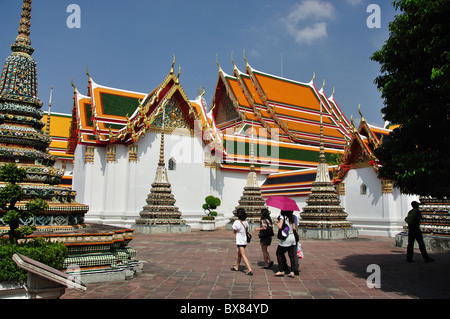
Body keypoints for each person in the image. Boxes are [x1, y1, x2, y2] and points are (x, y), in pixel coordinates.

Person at [274, 210, 297, 277]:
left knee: (279, 253)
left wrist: (276, 224)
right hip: (292, 237)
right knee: (291, 255)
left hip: (286, 238)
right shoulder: (291, 217)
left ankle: (281, 270)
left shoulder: (282, 217)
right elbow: (294, 228)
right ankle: (292, 271)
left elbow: (280, 227)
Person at [231, 208, 253, 275]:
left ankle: (249, 269)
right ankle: (236, 266)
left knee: (243, 255)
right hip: (245, 240)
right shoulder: (245, 221)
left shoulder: (237, 222)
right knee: (239, 254)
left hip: (240, 241)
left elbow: (234, 231)